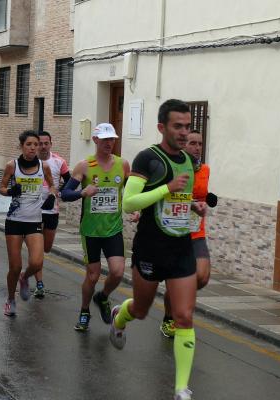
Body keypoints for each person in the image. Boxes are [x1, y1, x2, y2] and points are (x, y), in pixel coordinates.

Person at [109, 99, 207, 400]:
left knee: (184, 316)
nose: (183, 132)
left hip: (181, 247)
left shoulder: (189, 162)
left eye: (187, 126)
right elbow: (128, 202)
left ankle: (181, 388)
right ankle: (119, 317)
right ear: (161, 127)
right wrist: (167, 188)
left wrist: (193, 205)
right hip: (151, 248)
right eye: (177, 126)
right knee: (140, 311)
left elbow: (178, 198)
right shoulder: (147, 159)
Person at [60, 123, 130, 331]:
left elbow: (133, 191)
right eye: (105, 139)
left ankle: (103, 297)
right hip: (90, 230)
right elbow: (65, 193)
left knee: (117, 272)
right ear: (96, 140)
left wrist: (135, 209)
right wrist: (83, 192)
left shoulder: (123, 165)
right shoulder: (84, 166)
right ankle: (84, 310)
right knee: (93, 275)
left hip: (113, 228)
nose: (109, 143)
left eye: (112, 139)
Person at [160, 129, 217, 338]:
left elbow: (200, 192)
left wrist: (208, 197)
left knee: (202, 276)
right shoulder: (174, 169)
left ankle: (179, 298)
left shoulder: (206, 170)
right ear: (184, 146)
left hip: (195, 231)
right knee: (175, 283)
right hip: (174, 232)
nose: (197, 148)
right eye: (193, 143)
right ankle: (168, 317)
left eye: (200, 144)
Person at [0, 131, 56, 316]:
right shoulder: (11, 166)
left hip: (34, 221)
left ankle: (25, 278)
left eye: (36, 144)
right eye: (29, 144)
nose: (33, 148)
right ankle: (10, 299)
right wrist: (10, 192)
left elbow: (53, 185)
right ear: (21, 146)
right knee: (14, 266)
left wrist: (52, 196)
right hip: (14, 221)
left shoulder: (44, 166)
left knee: (37, 262)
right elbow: (1, 188)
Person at [34, 131, 70, 298]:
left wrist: (57, 194)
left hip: (51, 211)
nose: (42, 146)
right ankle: (39, 283)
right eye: (39, 143)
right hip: (33, 211)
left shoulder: (59, 161)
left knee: (47, 248)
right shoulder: (28, 161)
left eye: (45, 143)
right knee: (38, 249)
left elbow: (69, 181)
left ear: (50, 144)